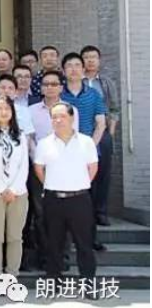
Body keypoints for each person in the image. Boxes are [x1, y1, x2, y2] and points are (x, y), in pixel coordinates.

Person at [34, 102, 98, 288]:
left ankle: (88, 284)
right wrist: (52, 184)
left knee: (84, 244)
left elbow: (93, 167)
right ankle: (53, 282)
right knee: (54, 244)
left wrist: (79, 183)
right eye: (54, 117)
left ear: (71, 118)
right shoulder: (44, 144)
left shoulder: (86, 142)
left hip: (80, 199)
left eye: (62, 116)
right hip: (54, 200)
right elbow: (39, 168)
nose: (58, 120)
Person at [26, 70, 78, 271]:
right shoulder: (31, 110)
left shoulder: (71, 110)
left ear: (61, 87)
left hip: (63, 170)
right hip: (38, 168)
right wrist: (38, 160)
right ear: (40, 87)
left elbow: (73, 138)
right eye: (46, 84)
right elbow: (30, 140)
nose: (49, 87)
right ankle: (45, 257)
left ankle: (62, 256)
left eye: (54, 84)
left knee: (64, 214)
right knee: (41, 215)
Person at [59, 52, 108, 251]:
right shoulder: (59, 94)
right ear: (63, 70)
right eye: (69, 66)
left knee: (88, 199)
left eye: (77, 65)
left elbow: (101, 123)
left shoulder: (93, 94)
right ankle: (66, 241)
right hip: (62, 155)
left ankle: (90, 239)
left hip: (87, 155)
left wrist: (90, 148)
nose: (73, 69)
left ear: (83, 69)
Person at [0, 96, 30, 279]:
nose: (3, 112)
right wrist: (2, 188)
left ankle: (12, 275)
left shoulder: (21, 136)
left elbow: (24, 165)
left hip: (18, 192)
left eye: (7, 109)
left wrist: (14, 188)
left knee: (15, 237)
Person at [80, 45, 119, 226]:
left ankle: (101, 212)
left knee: (103, 173)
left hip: (102, 133)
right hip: (82, 133)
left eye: (93, 57)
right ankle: (85, 211)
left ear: (99, 60)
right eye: (86, 57)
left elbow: (114, 109)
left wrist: (110, 133)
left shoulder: (106, 83)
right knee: (83, 172)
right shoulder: (75, 81)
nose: (90, 60)